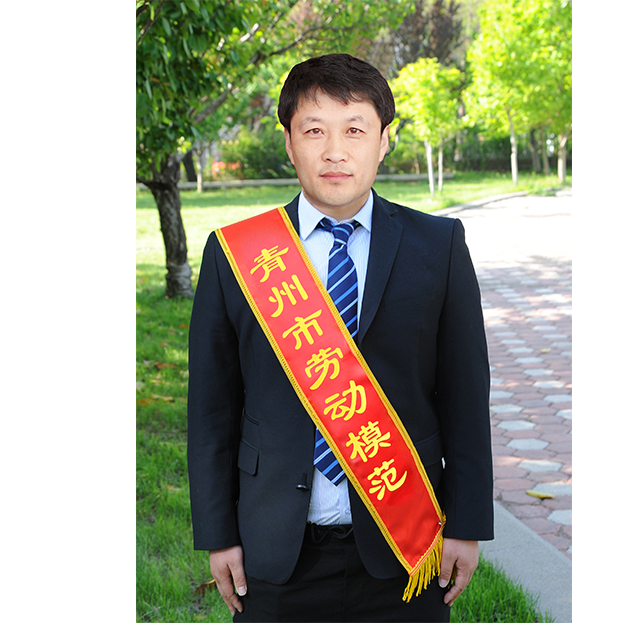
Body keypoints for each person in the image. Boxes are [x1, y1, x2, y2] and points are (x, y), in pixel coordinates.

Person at [187, 53, 493, 622]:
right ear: (288, 142)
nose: (334, 151)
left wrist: (468, 523)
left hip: (406, 546)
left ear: (384, 141)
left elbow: (465, 396)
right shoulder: (236, 255)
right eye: (314, 131)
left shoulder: (439, 246)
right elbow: (212, 409)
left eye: (355, 130)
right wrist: (217, 533)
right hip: (273, 548)